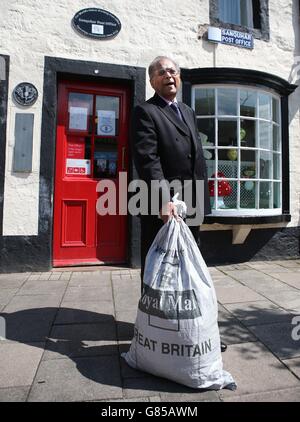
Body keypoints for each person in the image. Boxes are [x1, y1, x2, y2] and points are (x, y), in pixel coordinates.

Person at [130, 56, 226, 352]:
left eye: (172, 71)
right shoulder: (145, 111)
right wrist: (163, 201)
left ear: (179, 76)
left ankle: (189, 326)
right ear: (152, 80)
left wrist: (203, 197)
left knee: (190, 264)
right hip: (162, 203)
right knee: (159, 263)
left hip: (192, 199)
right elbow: (148, 159)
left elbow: (195, 155)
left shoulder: (187, 110)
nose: (168, 76)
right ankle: (154, 325)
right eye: (161, 72)